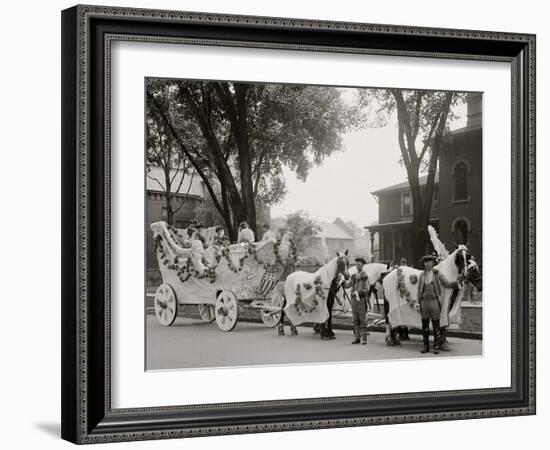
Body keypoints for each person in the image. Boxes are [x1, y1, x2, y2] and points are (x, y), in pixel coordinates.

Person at [417, 254, 460, 354]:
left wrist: (457, 283)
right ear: (424, 264)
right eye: (426, 262)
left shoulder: (437, 274)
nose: (428, 264)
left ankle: (436, 346)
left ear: (433, 263)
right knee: (425, 325)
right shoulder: (421, 275)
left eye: (430, 262)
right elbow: (418, 289)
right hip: (424, 302)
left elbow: (447, 283)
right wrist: (417, 302)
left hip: (434, 301)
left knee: (436, 324)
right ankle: (425, 346)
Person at [342, 257, 370, 345]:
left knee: (362, 320)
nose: (357, 266)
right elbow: (347, 285)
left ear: (362, 266)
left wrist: (359, 293)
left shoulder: (364, 276)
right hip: (354, 300)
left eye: (359, 264)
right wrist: (342, 281)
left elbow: (367, 289)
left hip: (361, 300)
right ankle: (357, 337)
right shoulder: (353, 276)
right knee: (355, 319)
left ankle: (364, 338)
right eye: (356, 264)